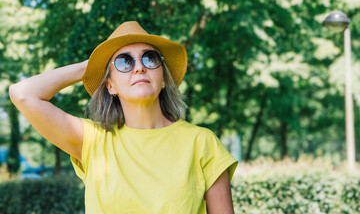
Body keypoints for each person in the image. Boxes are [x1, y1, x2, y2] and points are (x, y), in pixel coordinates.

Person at [9, 21, 238, 213]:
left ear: (164, 78)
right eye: (124, 62)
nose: (139, 67)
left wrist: (115, 65)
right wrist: (93, 66)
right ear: (110, 85)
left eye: (149, 58)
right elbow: (23, 94)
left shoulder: (202, 143)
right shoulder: (93, 141)